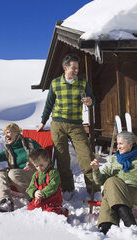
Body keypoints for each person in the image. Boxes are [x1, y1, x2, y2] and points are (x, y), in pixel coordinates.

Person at [37, 54, 98, 196]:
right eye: (74, 68)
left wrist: (90, 102)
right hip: (58, 124)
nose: (76, 70)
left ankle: (94, 189)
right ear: (65, 68)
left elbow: (92, 99)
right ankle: (67, 189)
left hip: (76, 125)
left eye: (77, 68)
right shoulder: (55, 83)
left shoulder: (82, 83)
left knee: (86, 156)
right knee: (62, 159)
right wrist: (43, 121)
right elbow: (49, 104)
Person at [90, 131, 137, 235]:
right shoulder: (113, 159)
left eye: (121, 143)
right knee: (111, 184)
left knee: (111, 184)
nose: (118, 147)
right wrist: (96, 170)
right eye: (117, 144)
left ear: (130, 144)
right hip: (114, 192)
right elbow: (100, 180)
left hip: (135, 192)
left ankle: (105, 225)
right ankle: (124, 219)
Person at [26, 149, 68, 217]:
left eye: (41, 165)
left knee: (51, 212)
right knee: (30, 210)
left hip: (52, 200)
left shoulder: (53, 173)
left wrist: (42, 193)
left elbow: (52, 186)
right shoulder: (36, 175)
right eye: (36, 166)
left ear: (48, 161)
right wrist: (34, 192)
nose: (39, 168)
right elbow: (31, 187)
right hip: (39, 199)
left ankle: (63, 212)